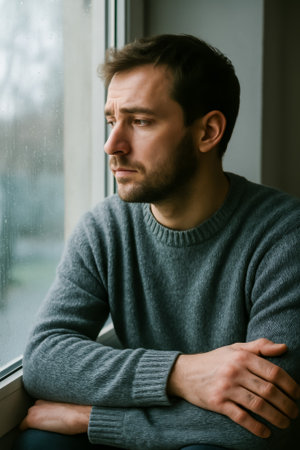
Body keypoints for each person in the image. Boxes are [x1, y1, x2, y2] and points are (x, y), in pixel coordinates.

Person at [14, 34, 300, 450]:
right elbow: (44, 359)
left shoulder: (285, 236)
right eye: (112, 121)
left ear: (208, 132)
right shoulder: (104, 228)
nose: (113, 145)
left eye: (141, 121)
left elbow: (266, 418)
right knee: (41, 443)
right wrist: (181, 374)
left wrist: (91, 418)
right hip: (176, 422)